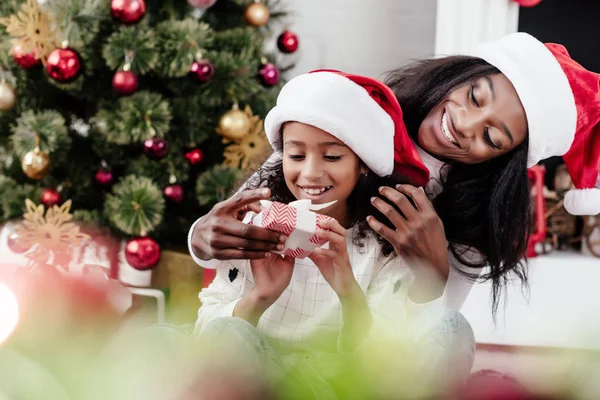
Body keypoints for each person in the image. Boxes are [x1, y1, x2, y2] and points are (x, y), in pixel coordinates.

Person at [189, 32, 600, 312]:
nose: (464, 124)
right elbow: (262, 193)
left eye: (492, 137)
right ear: (462, 73)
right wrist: (201, 238)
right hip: (266, 318)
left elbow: (429, 337)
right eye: (475, 96)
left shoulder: (472, 222)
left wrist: (434, 271)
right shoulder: (355, 110)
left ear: (503, 158)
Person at [191, 70, 475, 396]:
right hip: (268, 380)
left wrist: (348, 292)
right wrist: (259, 297)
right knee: (204, 332)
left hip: (349, 384)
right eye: (296, 155)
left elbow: (385, 358)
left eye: (332, 156)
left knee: (450, 326)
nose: (310, 173)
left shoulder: (383, 241)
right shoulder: (255, 227)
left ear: (362, 163)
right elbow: (209, 334)